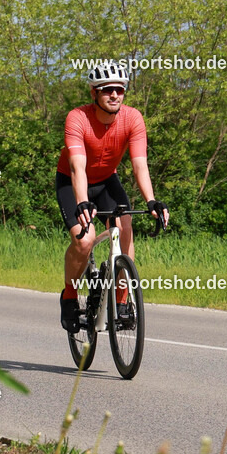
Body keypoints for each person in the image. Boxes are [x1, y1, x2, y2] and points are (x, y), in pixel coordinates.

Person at [57, 60, 169, 332]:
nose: (115, 95)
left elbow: (139, 164)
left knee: (125, 226)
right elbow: (77, 166)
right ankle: (70, 294)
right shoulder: (77, 118)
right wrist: (82, 201)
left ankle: (121, 298)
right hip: (73, 182)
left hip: (108, 181)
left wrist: (151, 201)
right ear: (94, 93)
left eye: (120, 89)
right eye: (107, 90)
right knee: (85, 241)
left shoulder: (133, 118)